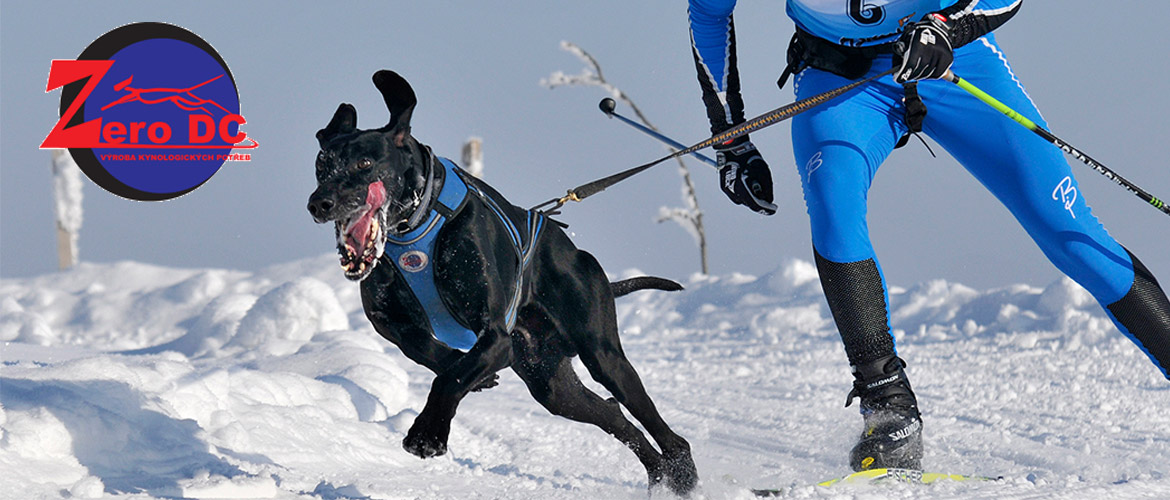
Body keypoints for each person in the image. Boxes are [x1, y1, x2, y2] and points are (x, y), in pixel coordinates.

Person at [687, 0, 1170, 472]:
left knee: (1069, 234)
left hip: (954, 64)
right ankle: (890, 413)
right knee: (835, 212)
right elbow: (709, 12)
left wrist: (945, 27)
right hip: (840, 77)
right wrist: (730, 138)